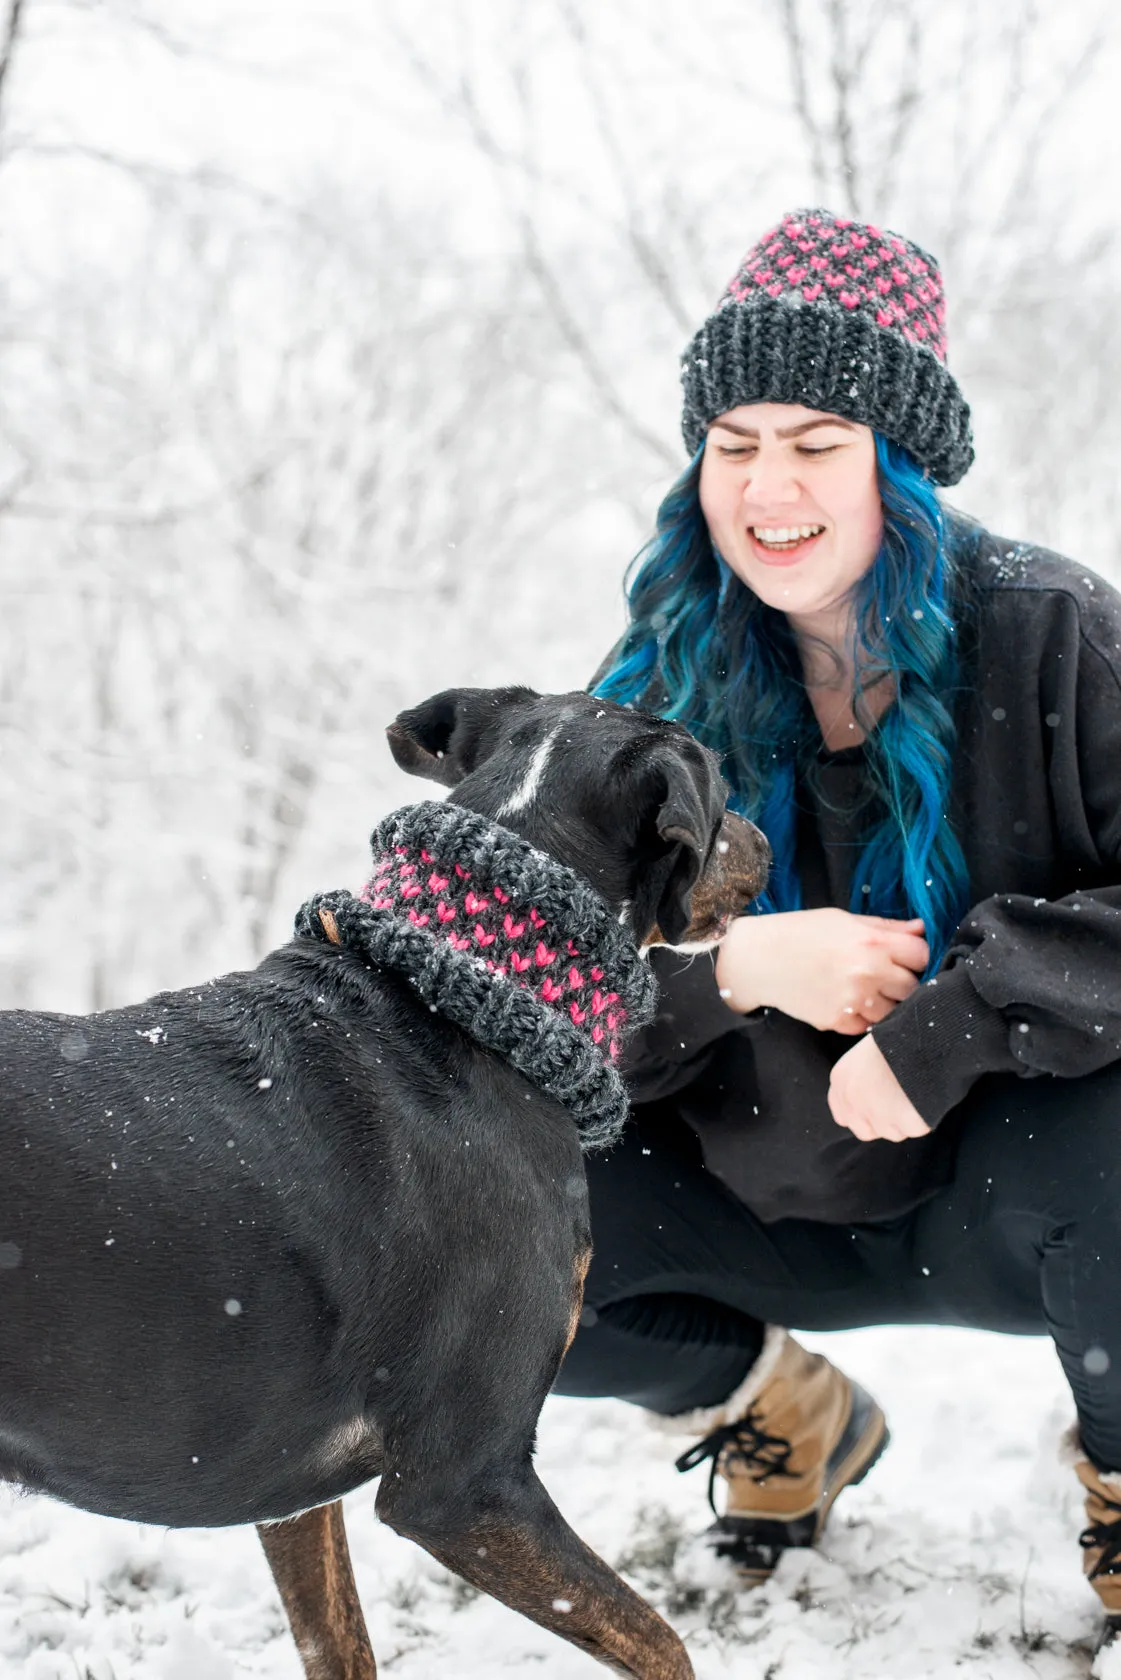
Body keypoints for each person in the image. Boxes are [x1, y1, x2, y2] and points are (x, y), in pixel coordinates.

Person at [555, 206, 1121, 1647]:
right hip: (764, 1195)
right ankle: (773, 1411)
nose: (770, 484)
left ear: (901, 466)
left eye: (817, 440)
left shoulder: (1053, 633)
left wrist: (959, 1020)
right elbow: (540, 977)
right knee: (492, 1210)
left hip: (1028, 1190)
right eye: (734, 443)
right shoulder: (655, 686)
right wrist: (729, 967)